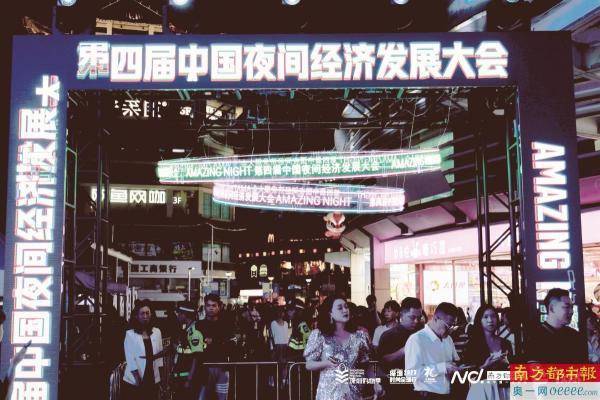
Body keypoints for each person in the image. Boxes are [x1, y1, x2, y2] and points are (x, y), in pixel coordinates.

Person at [304, 296, 375, 400]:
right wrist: (327, 363)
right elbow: (309, 364)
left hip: (353, 394)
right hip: (328, 394)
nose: (345, 310)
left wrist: (376, 383)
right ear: (330, 313)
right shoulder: (319, 335)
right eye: (340, 308)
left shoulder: (359, 336)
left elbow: (366, 365)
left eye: (346, 307)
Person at [405, 302, 462, 399]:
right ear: (435, 318)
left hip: (448, 393)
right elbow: (411, 374)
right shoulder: (417, 339)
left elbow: (455, 361)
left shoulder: (448, 339)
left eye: (453, 326)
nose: (450, 330)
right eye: (447, 326)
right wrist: (442, 368)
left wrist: (458, 367)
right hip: (427, 395)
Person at [462, 305, 512, 400]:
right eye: (485, 317)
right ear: (479, 320)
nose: (490, 320)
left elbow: (512, 372)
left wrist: (507, 364)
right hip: (481, 391)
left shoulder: (506, 343)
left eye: (493, 316)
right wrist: (484, 366)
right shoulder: (472, 344)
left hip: (502, 389)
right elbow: (467, 376)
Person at [378, 297, 423, 400]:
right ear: (401, 315)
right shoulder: (389, 335)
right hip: (397, 387)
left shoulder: (422, 333)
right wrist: (404, 351)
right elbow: (382, 362)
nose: (416, 321)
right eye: (412, 317)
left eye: (419, 318)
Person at [527, 288, 588, 363]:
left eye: (572, 307)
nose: (572, 311)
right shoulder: (535, 338)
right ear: (552, 308)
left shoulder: (574, 336)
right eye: (567, 307)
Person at [197, 294, 236, 400]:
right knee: (203, 397)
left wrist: (213, 341)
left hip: (222, 367)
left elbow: (232, 345)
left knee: (222, 398)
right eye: (208, 305)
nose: (211, 308)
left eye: (214, 305)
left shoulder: (226, 325)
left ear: (219, 307)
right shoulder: (199, 325)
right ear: (204, 307)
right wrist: (220, 343)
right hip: (204, 369)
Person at [123, 300, 164, 400]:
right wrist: (138, 380)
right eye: (142, 313)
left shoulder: (157, 332)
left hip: (152, 376)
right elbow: (130, 359)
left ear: (151, 314)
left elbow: (159, 357)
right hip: (135, 379)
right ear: (136, 316)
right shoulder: (130, 334)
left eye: (147, 313)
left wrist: (161, 378)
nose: (145, 316)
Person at [172, 301, 204, 400]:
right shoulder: (186, 330)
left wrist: (189, 380)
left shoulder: (194, 332)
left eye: (179, 313)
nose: (177, 316)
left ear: (185, 315)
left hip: (187, 378)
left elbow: (196, 357)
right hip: (181, 377)